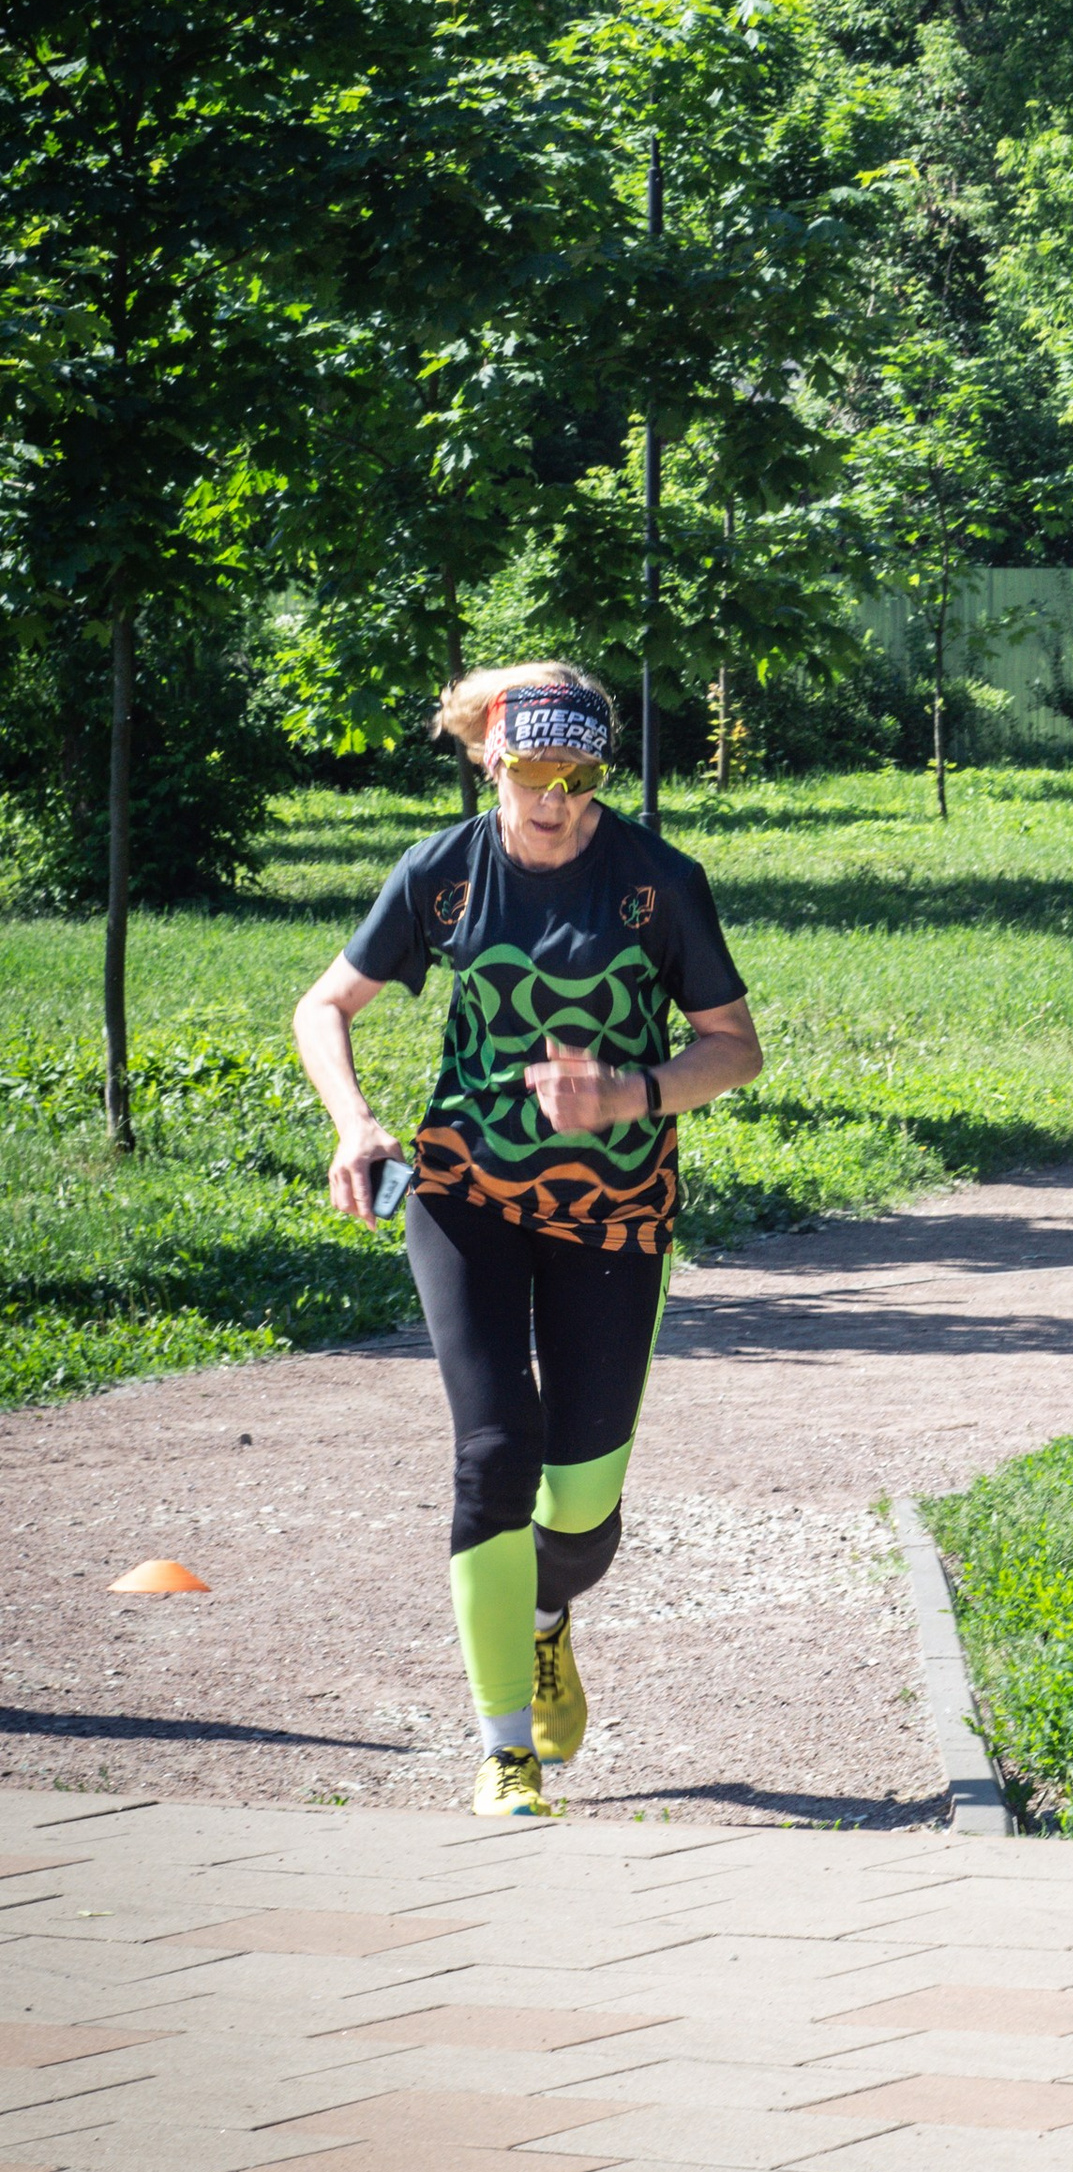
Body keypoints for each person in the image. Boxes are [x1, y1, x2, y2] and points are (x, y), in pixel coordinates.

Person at [292, 665, 762, 1819]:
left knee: (582, 1510)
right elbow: (323, 1006)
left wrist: (629, 1095)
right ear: (488, 764)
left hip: (615, 1215)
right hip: (467, 1198)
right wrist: (356, 1122)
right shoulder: (445, 873)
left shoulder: (657, 883)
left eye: (579, 778)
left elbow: (735, 1047)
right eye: (531, 775)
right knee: (496, 1453)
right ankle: (505, 1751)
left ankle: (548, 1616)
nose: (554, 802)